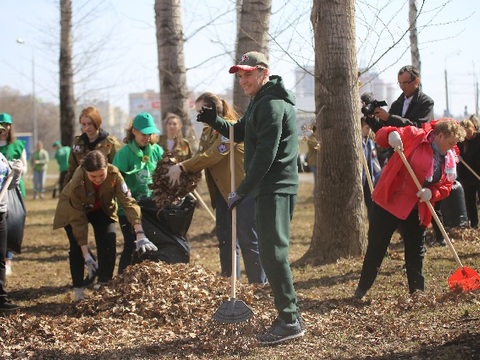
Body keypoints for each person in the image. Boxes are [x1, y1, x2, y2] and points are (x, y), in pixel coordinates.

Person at [197, 51, 304, 345]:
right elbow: (239, 132)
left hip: (276, 186)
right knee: (271, 251)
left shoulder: (271, 105)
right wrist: (215, 120)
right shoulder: (260, 101)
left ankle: (289, 320)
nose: (242, 81)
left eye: (247, 74)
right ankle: (290, 312)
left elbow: (266, 156)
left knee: (272, 252)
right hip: (268, 187)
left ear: (262, 72)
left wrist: (240, 191)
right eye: (239, 76)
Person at [354, 119, 466, 300]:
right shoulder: (415, 136)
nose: (453, 147)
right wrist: (391, 134)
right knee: (377, 246)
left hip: (418, 208)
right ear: (439, 135)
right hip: (391, 201)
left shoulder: (449, 158)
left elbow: (446, 185)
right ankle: (362, 288)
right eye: (451, 142)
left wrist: (432, 192)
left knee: (416, 250)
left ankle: (417, 293)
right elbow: (381, 136)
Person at [167, 92, 266, 284]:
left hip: (242, 191)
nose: (199, 117)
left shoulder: (231, 129)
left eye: (201, 112)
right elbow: (200, 155)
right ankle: (230, 284)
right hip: (222, 194)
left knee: (248, 240)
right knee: (226, 241)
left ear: (212, 110)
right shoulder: (206, 132)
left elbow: (212, 156)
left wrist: (182, 167)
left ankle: (258, 285)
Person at [53, 150, 157, 301]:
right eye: (93, 176)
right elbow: (78, 220)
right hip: (74, 210)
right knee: (76, 247)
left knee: (109, 238)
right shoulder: (77, 182)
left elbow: (128, 202)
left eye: (102, 175)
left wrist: (139, 233)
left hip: (101, 207)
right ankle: (79, 290)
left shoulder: (114, 174)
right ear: (85, 171)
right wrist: (86, 255)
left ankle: (104, 284)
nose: (98, 179)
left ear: (107, 167)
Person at [113, 112, 164, 274]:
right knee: (131, 244)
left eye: (150, 134)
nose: (147, 137)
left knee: (152, 244)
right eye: (143, 133)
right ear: (134, 131)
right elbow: (116, 182)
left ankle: (144, 280)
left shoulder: (156, 151)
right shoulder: (124, 154)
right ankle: (121, 279)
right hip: (128, 208)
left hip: (151, 207)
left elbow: (165, 173)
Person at [365, 65, 434, 132]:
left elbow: (418, 128)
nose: (402, 87)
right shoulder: (397, 104)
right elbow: (382, 130)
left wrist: (389, 118)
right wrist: (371, 117)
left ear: (416, 81)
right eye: (400, 83)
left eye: (405, 83)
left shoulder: (426, 102)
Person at [64, 106, 121, 186]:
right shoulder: (77, 143)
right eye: (83, 124)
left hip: (104, 186)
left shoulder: (110, 143)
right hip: (83, 188)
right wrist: (67, 191)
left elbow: (117, 169)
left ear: (97, 122)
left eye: (90, 123)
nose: (87, 127)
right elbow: (72, 169)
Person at [0, 113, 28, 276]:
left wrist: (17, 169)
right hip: (0, 189)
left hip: (13, 188)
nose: (4, 128)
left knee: (11, 224)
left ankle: (8, 259)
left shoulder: (17, 145)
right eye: (1, 124)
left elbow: (24, 166)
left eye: (6, 124)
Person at [0, 126, 23, 311]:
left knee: (0, 256)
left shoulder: (1, 158)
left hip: (1, 212)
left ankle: (1, 299)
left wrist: (16, 173)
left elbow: (10, 186)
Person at [457, 119, 480, 228]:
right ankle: (474, 224)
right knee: (470, 201)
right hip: (467, 175)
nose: (468, 136)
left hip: (478, 173)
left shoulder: (479, 138)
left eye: (469, 133)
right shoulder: (461, 142)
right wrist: (458, 157)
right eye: (465, 134)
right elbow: (455, 151)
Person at [361, 117, 382, 222]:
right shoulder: (358, 142)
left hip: (371, 178)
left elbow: (374, 160)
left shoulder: (370, 141)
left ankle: (372, 222)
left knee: (371, 204)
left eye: (370, 128)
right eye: (366, 128)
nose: (368, 130)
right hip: (361, 178)